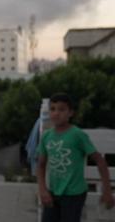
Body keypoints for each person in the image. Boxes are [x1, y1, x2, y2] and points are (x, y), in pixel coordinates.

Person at [37, 93, 114, 222]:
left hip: (74, 194)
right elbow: (41, 165)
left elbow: (100, 161)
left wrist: (107, 190)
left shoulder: (77, 135)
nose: (56, 113)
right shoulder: (46, 136)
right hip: (53, 192)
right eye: (53, 109)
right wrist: (42, 189)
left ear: (70, 113)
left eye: (61, 109)